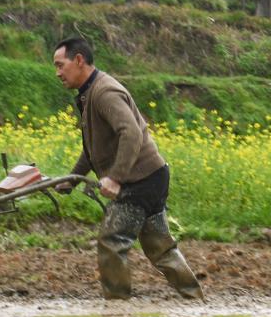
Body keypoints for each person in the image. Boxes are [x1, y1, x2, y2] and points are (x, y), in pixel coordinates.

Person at [51, 36, 203, 301]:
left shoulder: (104, 92)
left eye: (60, 65)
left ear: (78, 60)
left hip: (139, 180)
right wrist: (71, 180)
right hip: (152, 176)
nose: (58, 73)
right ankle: (194, 299)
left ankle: (116, 311)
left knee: (112, 242)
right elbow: (93, 148)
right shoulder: (90, 94)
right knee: (159, 247)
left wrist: (115, 178)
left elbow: (131, 132)